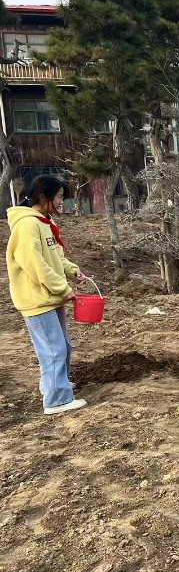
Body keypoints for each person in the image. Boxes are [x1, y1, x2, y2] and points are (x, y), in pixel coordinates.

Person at [6, 175, 89, 414]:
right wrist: (63, 288)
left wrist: (73, 271)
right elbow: (35, 263)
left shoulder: (43, 222)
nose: (62, 201)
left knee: (63, 346)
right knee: (54, 349)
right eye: (60, 196)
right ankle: (57, 400)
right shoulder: (27, 225)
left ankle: (54, 385)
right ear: (43, 197)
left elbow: (54, 257)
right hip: (37, 299)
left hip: (49, 297)